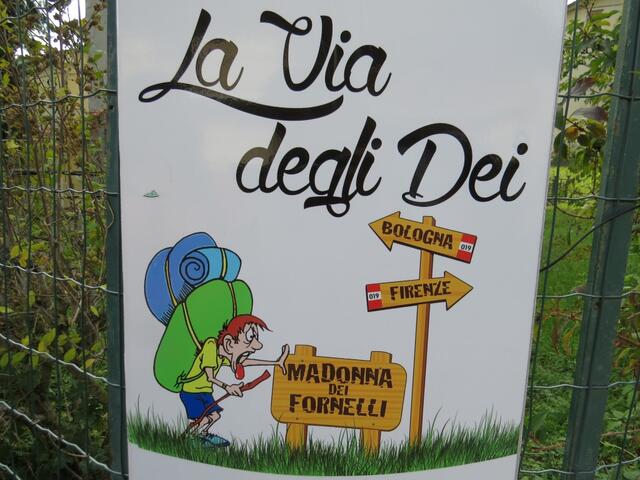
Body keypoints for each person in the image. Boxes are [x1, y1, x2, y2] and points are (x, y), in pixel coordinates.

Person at [179, 314, 289, 447]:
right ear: (229, 343)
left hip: (205, 392)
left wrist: (275, 362)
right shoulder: (211, 346)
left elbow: (244, 362)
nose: (257, 345)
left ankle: (203, 434)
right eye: (250, 338)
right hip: (191, 392)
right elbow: (210, 377)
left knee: (215, 416)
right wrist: (228, 387)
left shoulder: (222, 355)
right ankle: (189, 438)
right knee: (203, 418)